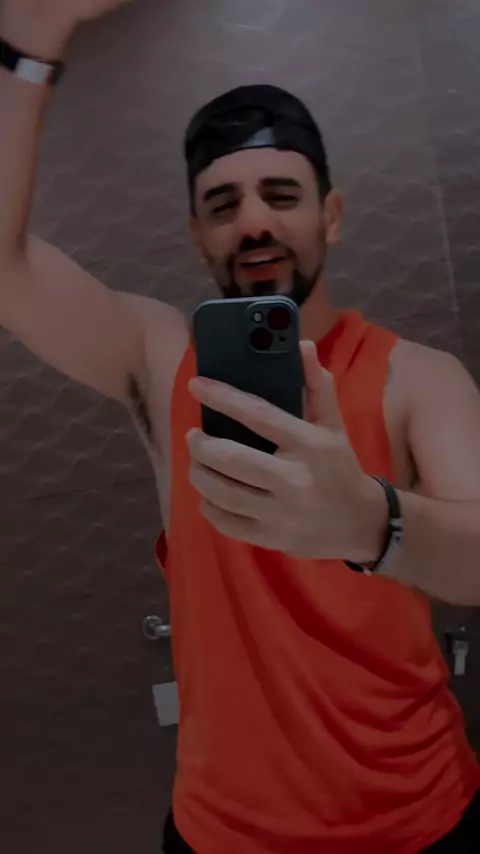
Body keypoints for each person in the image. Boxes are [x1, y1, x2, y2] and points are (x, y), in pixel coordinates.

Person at [1, 2, 480, 852]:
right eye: (222, 204)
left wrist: (370, 523)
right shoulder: (161, 361)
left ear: (331, 214)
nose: (253, 221)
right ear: (197, 236)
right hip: (224, 834)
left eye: (281, 195)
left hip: (420, 819)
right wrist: (27, 43)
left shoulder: (416, 376)